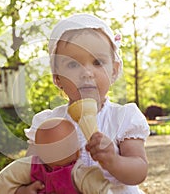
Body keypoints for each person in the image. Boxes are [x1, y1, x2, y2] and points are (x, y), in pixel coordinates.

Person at [22, 13, 150, 193]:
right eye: (73, 65)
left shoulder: (123, 118)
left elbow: (139, 171)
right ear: (57, 78)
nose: (87, 73)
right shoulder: (48, 124)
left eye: (97, 62)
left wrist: (114, 161)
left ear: (113, 71)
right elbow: (27, 171)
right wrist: (24, 190)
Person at [0, 117, 112, 194]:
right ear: (77, 152)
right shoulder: (77, 173)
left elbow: (2, 182)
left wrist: (22, 191)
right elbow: (104, 188)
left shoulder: (32, 166)